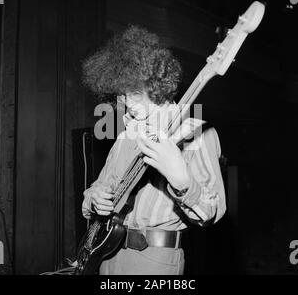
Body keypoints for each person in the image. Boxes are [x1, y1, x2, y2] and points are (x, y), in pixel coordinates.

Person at [81, 25, 226, 275]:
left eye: (135, 93)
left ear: (156, 84)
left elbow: (212, 212)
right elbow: (97, 187)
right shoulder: (125, 136)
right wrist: (95, 199)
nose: (127, 103)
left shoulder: (196, 132)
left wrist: (182, 181)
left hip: (155, 260)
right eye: (122, 94)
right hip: (107, 255)